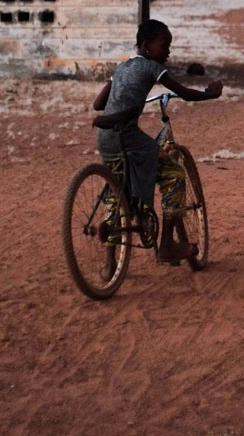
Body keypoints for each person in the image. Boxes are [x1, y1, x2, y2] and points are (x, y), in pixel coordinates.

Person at [93, 19, 223, 273]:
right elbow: (183, 92)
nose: (168, 52)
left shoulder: (121, 68)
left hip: (105, 136)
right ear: (146, 46)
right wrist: (211, 93)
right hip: (127, 133)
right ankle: (166, 245)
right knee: (174, 174)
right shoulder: (152, 67)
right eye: (164, 45)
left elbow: (99, 104)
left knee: (116, 190)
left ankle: (111, 266)